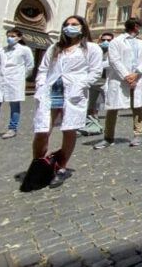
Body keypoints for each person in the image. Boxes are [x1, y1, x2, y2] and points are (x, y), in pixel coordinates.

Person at [32, 16, 102, 188]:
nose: (69, 27)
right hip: (51, 91)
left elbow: (95, 72)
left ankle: (61, 167)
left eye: (74, 25)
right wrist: (40, 85)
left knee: (68, 130)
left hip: (73, 93)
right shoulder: (55, 48)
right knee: (42, 131)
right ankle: (39, 164)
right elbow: (43, 69)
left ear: (82, 28)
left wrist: (80, 85)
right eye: (67, 25)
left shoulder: (91, 49)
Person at [95, 17, 142, 149]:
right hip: (120, 79)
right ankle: (108, 137)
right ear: (136, 26)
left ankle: (138, 134)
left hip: (137, 78)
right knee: (113, 108)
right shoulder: (116, 42)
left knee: (137, 106)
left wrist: (136, 74)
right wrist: (127, 76)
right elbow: (114, 60)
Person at [0, 29, 34, 139]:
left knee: (14, 105)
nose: (9, 38)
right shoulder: (2, 50)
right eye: (8, 36)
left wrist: (20, 77)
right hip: (0, 80)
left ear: (19, 37)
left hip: (15, 81)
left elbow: (30, 65)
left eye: (13, 36)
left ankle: (12, 128)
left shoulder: (25, 50)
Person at [88, 33, 114, 119]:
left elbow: (110, 63)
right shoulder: (95, 50)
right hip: (94, 80)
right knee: (92, 102)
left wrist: (96, 65)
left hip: (106, 80)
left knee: (107, 102)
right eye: (103, 40)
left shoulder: (114, 51)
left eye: (108, 40)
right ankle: (92, 118)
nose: (106, 42)